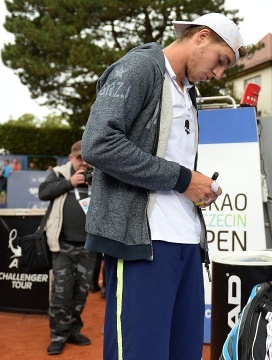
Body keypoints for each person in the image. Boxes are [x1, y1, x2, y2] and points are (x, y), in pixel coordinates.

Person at [82, 13, 244, 360]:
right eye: (221, 61)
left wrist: (197, 190)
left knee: (184, 353)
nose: (218, 74)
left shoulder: (189, 93)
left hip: (187, 244)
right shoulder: (139, 68)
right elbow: (98, 143)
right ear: (202, 37)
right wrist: (185, 179)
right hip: (141, 243)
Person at [38, 140, 94, 355]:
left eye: (86, 157)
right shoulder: (59, 173)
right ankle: (58, 336)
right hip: (62, 246)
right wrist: (70, 182)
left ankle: (73, 331)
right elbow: (44, 192)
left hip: (89, 247)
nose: (83, 161)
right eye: (79, 157)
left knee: (81, 293)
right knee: (61, 294)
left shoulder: (97, 175)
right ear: (71, 158)